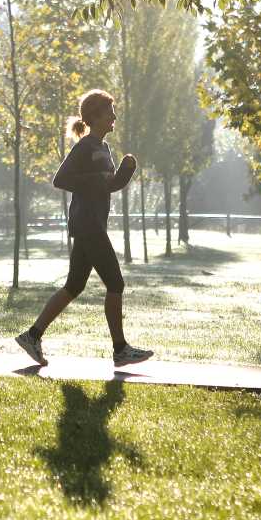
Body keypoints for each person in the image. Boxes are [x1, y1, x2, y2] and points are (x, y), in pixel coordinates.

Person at [15, 88, 153, 368]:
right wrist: (97, 180)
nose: (114, 115)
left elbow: (109, 184)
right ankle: (120, 349)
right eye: (109, 111)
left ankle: (32, 335)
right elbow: (61, 179)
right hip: (87, 223)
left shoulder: (103, 148)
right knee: (115, 283)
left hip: (93, 222)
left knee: (74, 285)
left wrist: (125, 173)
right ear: (95, 116)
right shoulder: (85, 146)